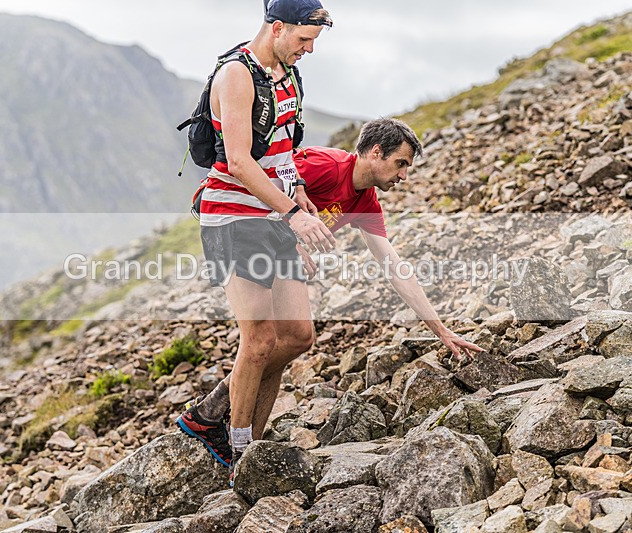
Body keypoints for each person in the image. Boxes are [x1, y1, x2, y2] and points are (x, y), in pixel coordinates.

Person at [180, 118, 484, 476]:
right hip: (241, 223)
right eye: (401, 163)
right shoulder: (327, 164)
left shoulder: (366, 201)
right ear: (375, 152)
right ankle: (233, 441)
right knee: (261, 342)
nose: (404, 176)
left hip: (279, 243)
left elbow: (394, 266)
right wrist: (291, 233)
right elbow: (266, 174)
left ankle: (229, 429)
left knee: (297, 338)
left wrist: (441, 331)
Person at [175, 0, 335, 484]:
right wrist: (293, 216)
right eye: (303, 40)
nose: (308, 50)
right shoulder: (236, 76)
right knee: (260, 339)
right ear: (277, 26)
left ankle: (216, 415)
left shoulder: (287, 73)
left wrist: (300, 197)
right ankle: (239, 450)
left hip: (276, 212)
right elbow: (240, 163)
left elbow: (284, 148)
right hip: (233, 217)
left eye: (314, 42)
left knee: (298, 337)